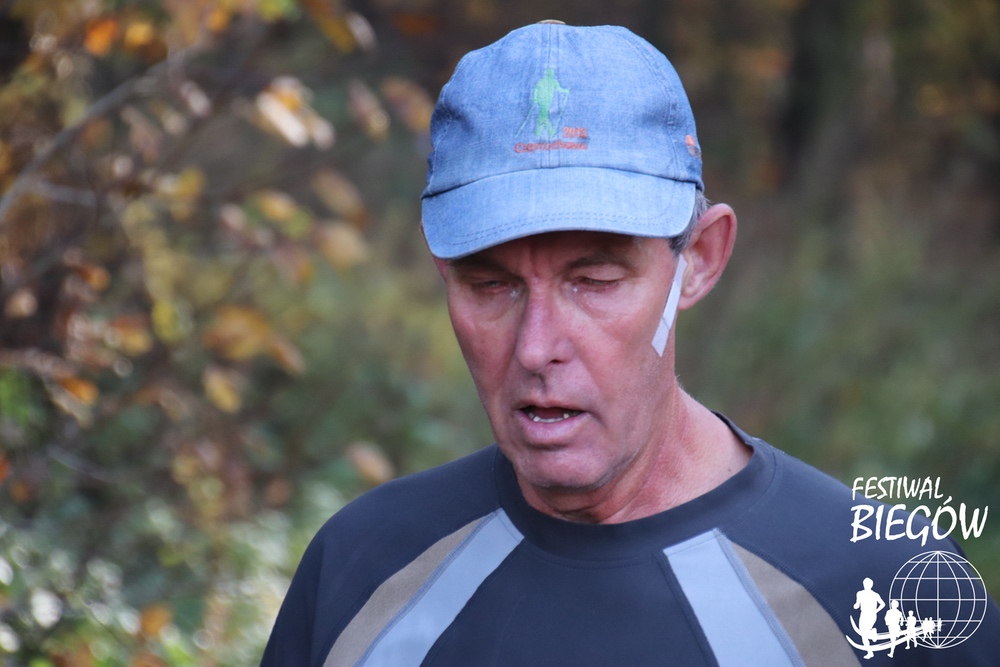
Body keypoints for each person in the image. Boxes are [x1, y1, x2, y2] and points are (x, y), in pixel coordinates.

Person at [261, 22, 1000, 666]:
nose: (536, 348)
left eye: (594, 280)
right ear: (442, 274)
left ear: (699, 260)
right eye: (491, 284)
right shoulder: (362, 569)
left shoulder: (889, 591)